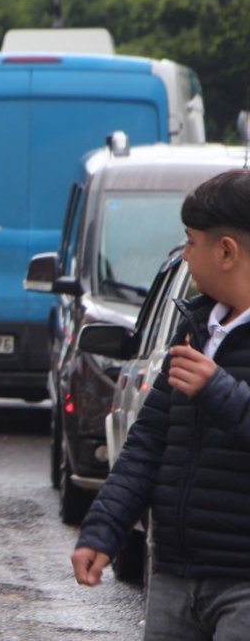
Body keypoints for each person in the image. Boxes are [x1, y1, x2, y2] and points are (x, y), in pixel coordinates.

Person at [72, 168, 250, 640]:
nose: (185, 255)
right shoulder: (194, 329)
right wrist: (104, 529)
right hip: (174, 571)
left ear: (227, 252)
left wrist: (219, 390)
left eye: (191, 242)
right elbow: (148, 442)